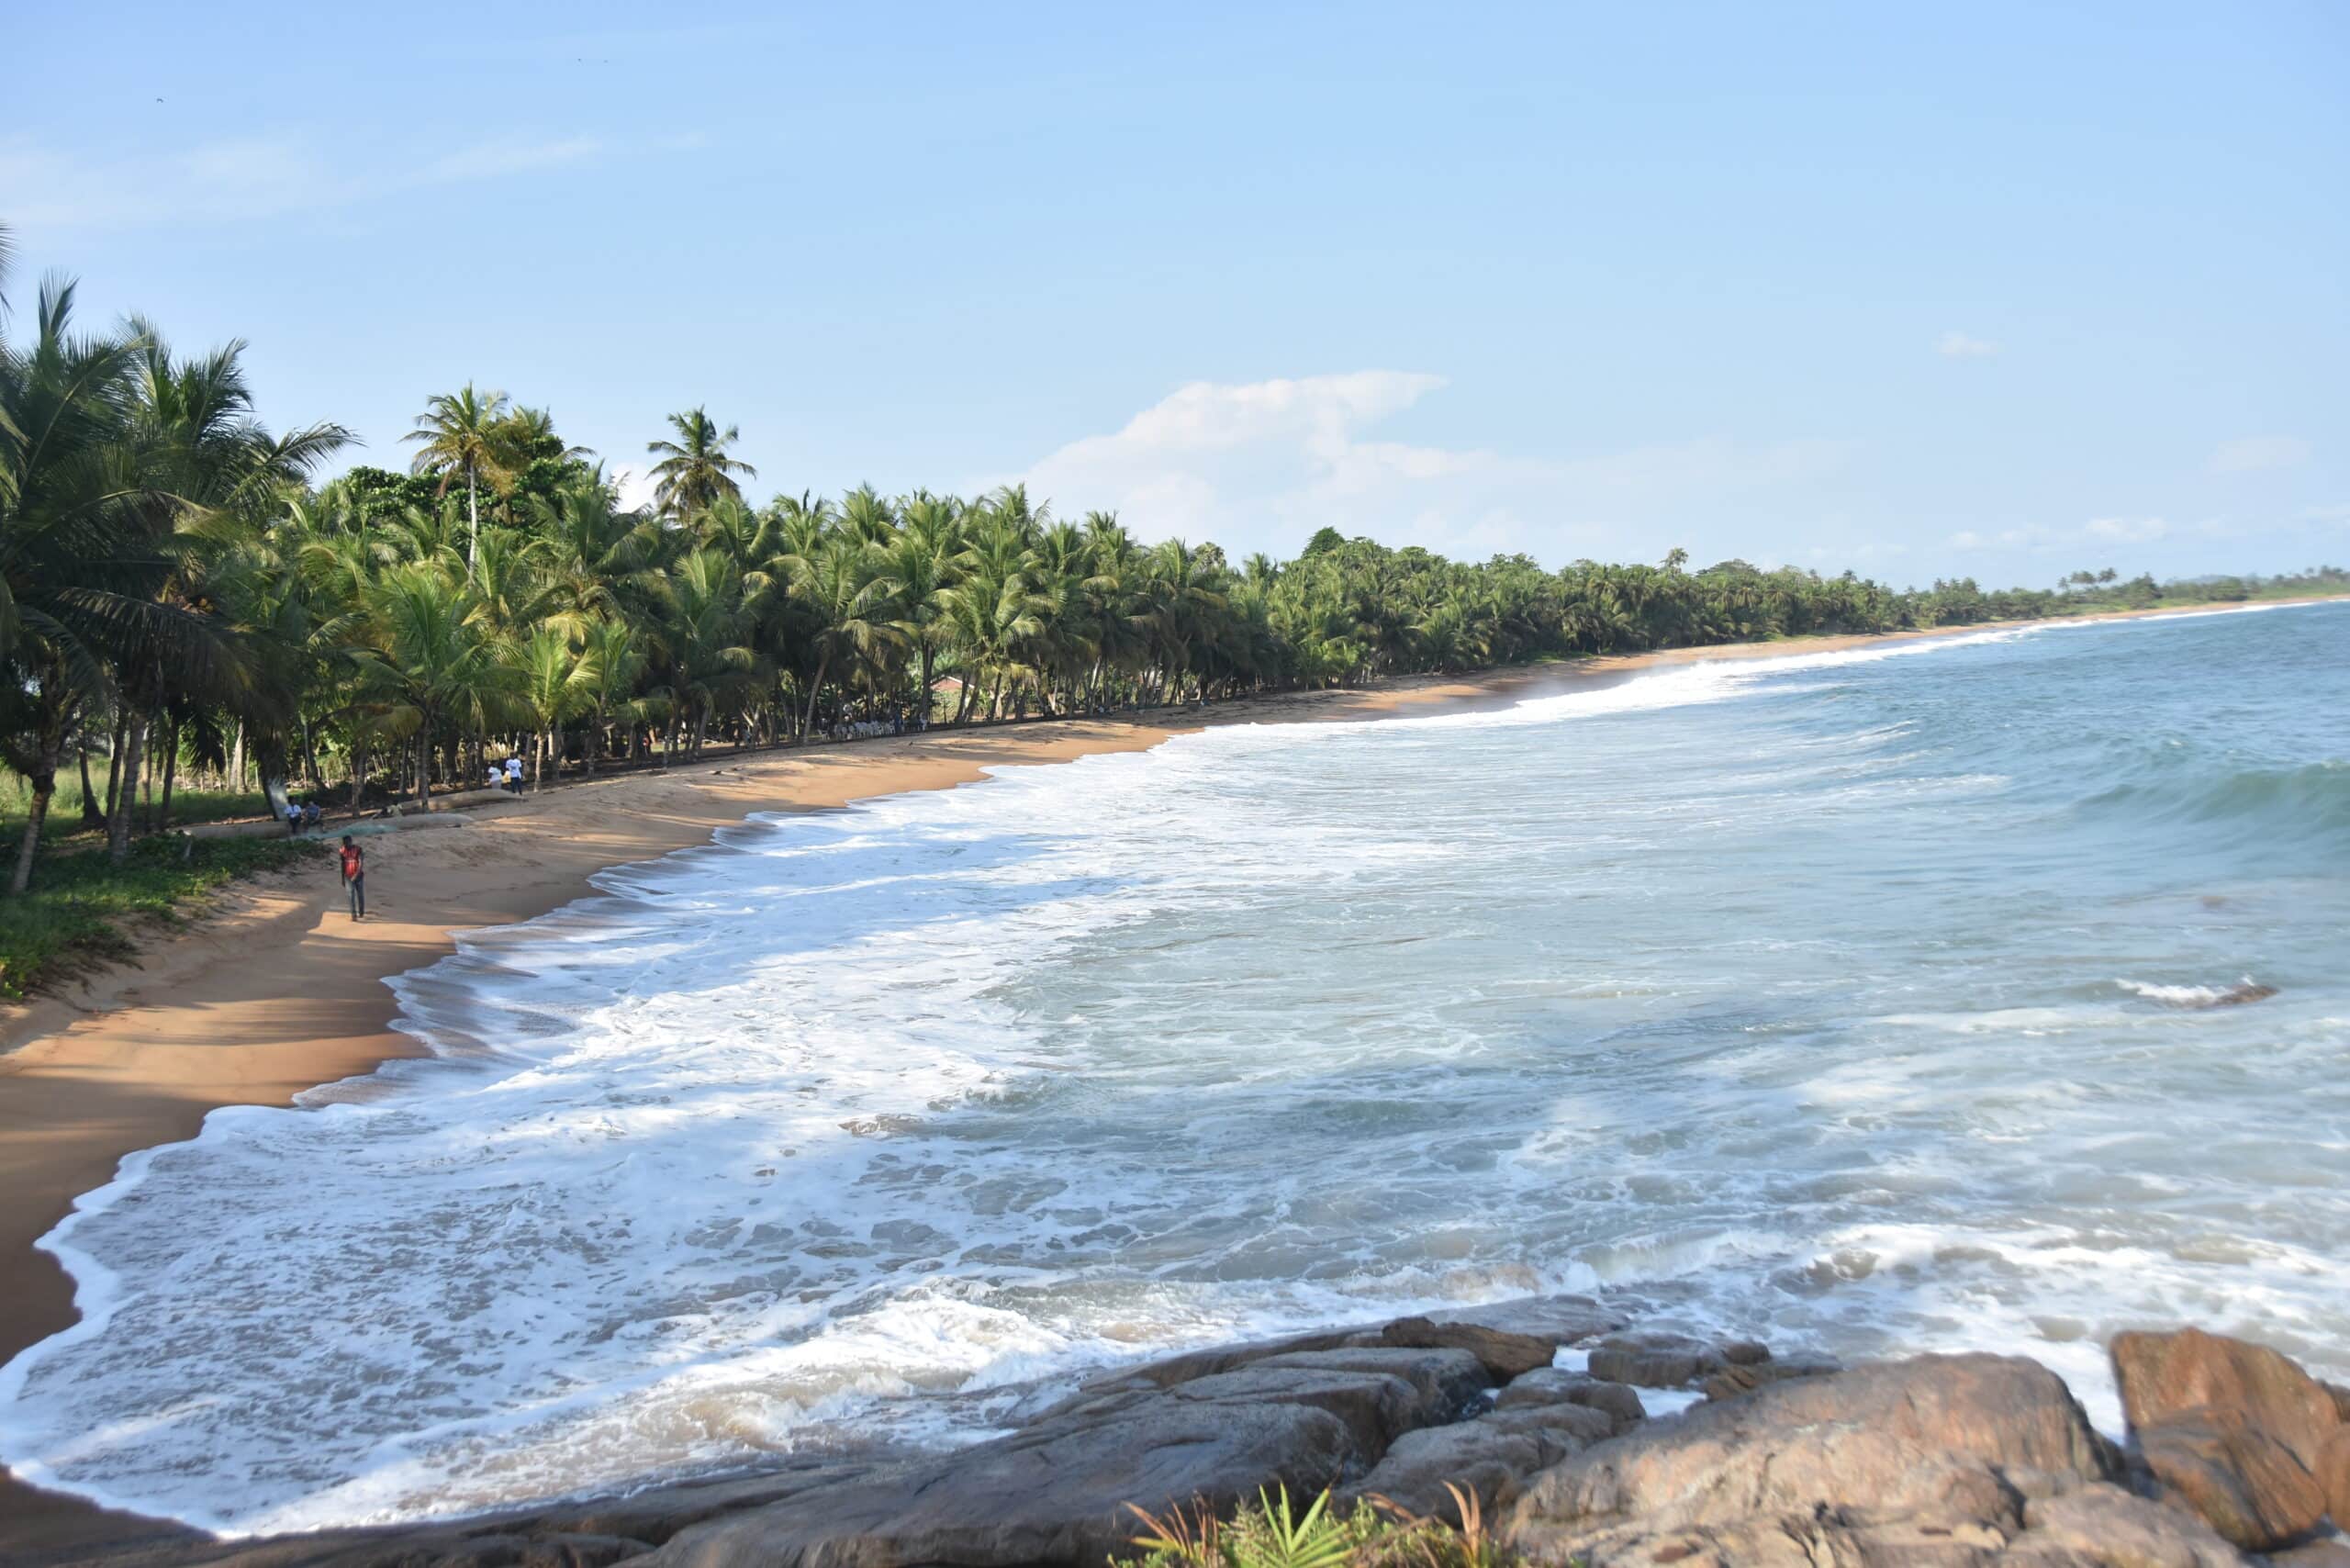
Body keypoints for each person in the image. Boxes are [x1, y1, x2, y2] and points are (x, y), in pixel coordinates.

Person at [339, 835, 365, 921]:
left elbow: (361, 864)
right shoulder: (342, 850)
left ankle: (361, 912)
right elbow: (342, 864)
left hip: (358, 876)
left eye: (347, 842)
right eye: (344, 843)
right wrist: (342, 878)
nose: (346, 845)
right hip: (348, 876)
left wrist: (356, 875)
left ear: (351, 841)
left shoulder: (358, 849)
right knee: (351, 896)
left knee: (360, 894)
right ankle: (353, 915)